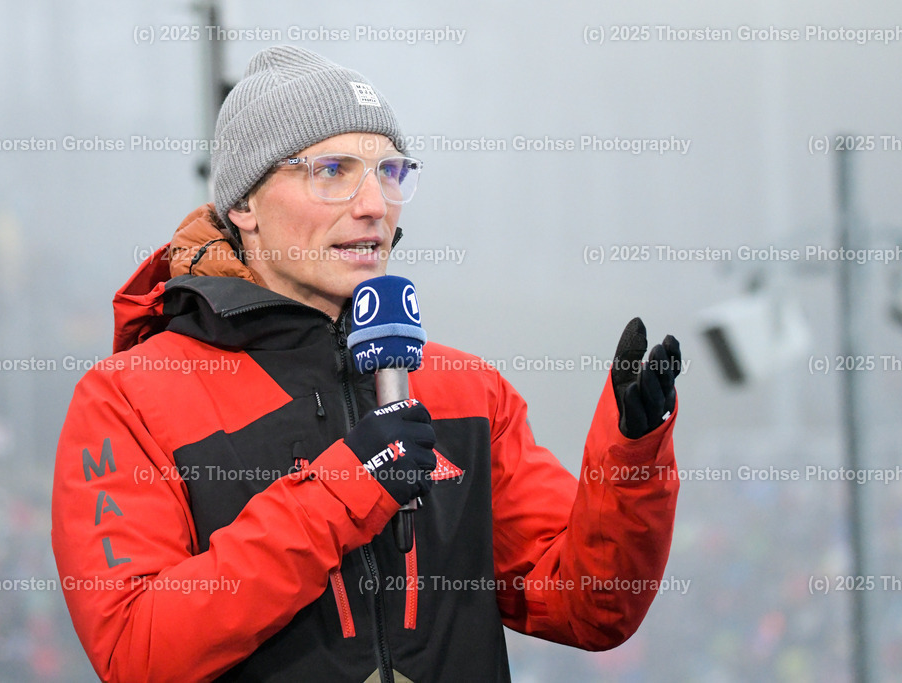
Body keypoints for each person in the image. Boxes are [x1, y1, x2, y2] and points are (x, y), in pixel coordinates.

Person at [52, 45, 682, 683]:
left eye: (390, 173)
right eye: (332, 170)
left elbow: (591, 608)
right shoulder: (131, 398)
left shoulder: (468, 389)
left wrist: (633, 458)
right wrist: (349, 485)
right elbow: (137, 651)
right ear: (244, 205)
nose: (374, 205)